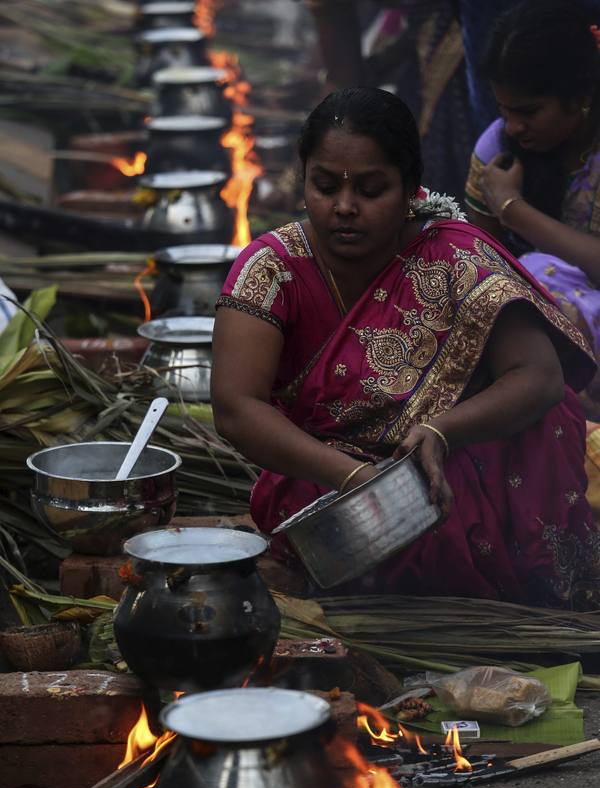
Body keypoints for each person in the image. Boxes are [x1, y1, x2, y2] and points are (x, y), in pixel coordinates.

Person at [212, 86, 600, 610]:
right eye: (325, 186)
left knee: (539, 428)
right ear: (303, 181)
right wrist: (353, 478)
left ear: (411, 190)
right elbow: (236, 406)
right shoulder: (271, 269)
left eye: (372, 190)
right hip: (328, 482)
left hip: (450, 460)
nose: (344, 207)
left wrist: (442, 430)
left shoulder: (452, 255)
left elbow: (539, 375)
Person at [464, 0, 600, 363]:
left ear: (580, 98)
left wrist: (514, 210)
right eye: (503, 110)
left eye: (528, 112)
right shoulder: (497, 150)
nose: (512, 127)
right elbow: (485, 272)